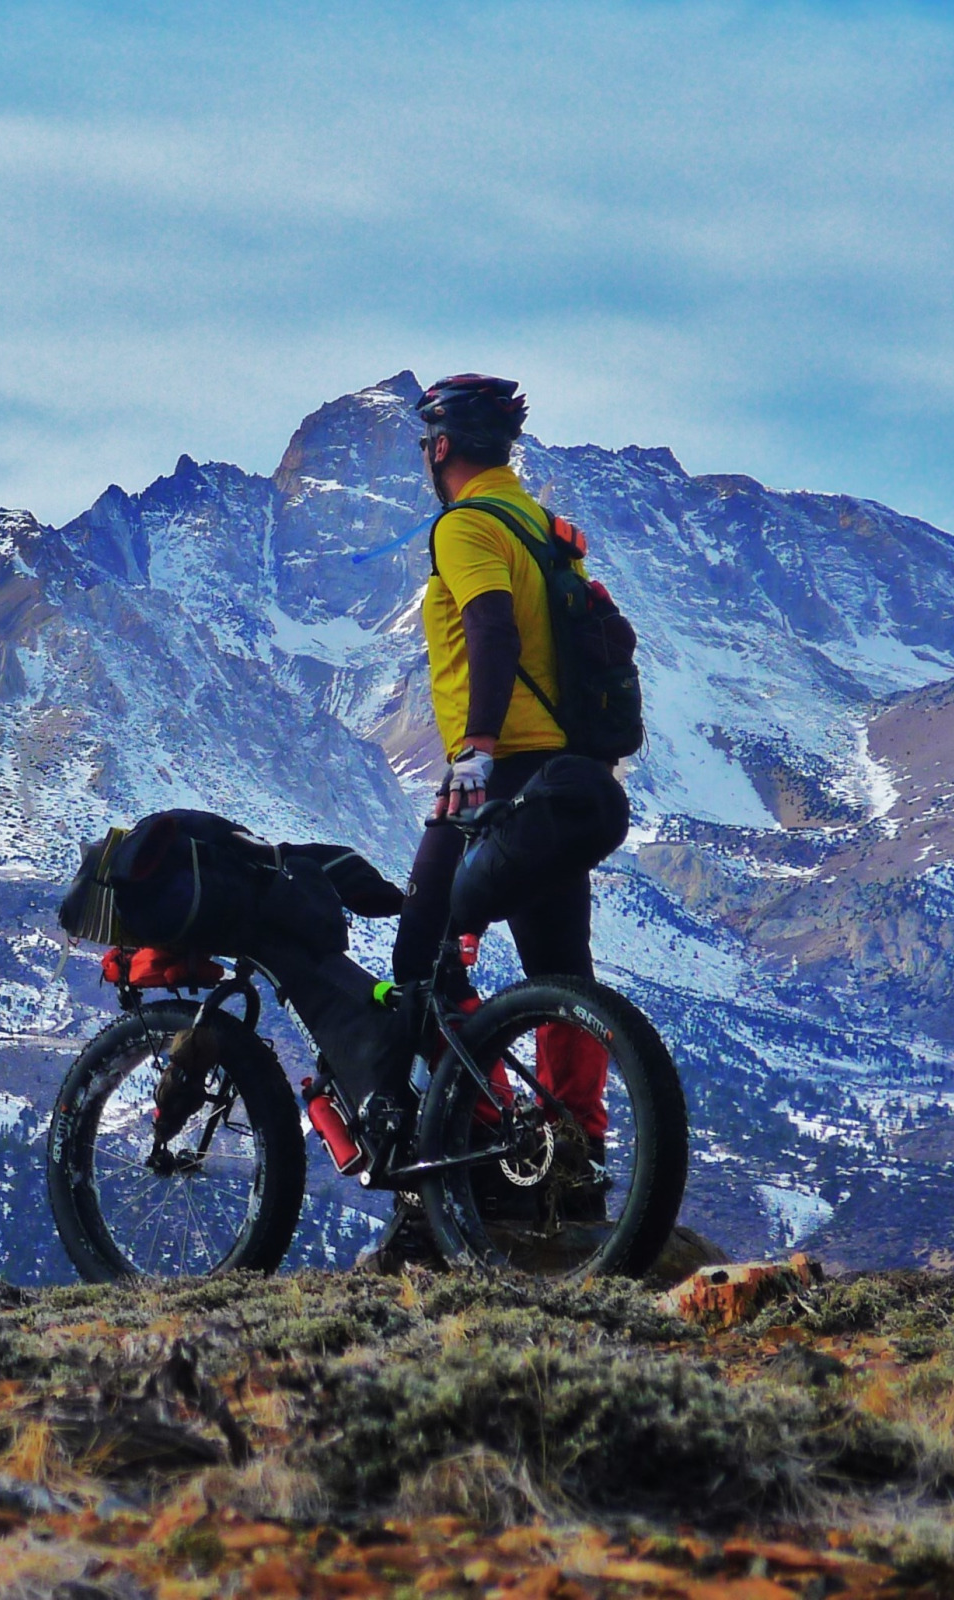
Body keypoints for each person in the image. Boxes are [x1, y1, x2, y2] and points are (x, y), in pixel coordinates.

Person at [362, 373, 609, 1269]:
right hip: (559, 775)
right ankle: (573, 1156)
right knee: (560, 974)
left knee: (418, 961)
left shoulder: (467, 526)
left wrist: (472, 750)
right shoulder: (545, 529)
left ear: (439, 448)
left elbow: (493, 631)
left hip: (498, 775)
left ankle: (477, 1145)